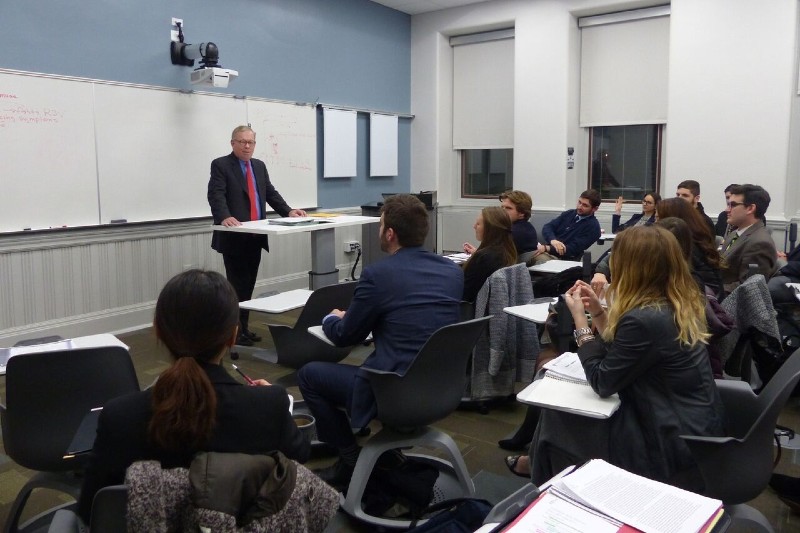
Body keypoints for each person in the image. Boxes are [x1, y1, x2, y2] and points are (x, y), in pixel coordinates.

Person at [78, 270, 310, 523]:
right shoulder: (269, 405)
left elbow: (91, 509)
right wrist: (274, 407)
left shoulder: (120, 416)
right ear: (233, 336)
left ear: (158, 331)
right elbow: (298, 464)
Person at [508, 226, 725, 491]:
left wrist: (580, 321)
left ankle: (545, 478)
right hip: (691, 421)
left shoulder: (644, 318)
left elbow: (602, 381)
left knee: (558, 416)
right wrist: (597, 311)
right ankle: (540, 467)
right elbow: (626, 349)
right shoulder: (677, 301)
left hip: (666, 435)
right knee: (559, 412)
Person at [297, 194, 463, 490]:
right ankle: (386, 456)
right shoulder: (452, 271)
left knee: (309, 375)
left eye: (381, 224)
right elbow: (417, 318)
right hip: (442, 389)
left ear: (390, 233)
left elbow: (346, 337)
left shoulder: (377, 275)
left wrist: (332, 318)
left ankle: (348, 460)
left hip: (394, 391)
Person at [208, 125, 307, 347]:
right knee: (235, 287)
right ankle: (232, 334)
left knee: (248, 286)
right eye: (242, 141)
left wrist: (288, 211)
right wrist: (224, 216)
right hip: (235, 236)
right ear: (232, 143)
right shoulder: (221, 165)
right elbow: (216, 194)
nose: (246, 146)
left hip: (256, 236)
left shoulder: (259, 166)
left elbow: (270, 192)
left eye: (250, 142)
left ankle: (243, 329)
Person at [656, 198, 725, 299]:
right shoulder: (696, 240)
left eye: (658, 219)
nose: (655, 224)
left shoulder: (686, 247)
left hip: (702, 300)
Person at [720, 184, 777, 294]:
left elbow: (747, 290)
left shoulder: (760, 243)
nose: (727, 209)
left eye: (733, 205)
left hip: (727, 304)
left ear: (750, 208)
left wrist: (708, 289)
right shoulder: (735, 233)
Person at [461, 206, 517, 302]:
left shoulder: (484, 258)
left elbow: (466, 292)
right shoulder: (507, 252)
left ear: (490, 229)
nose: (474, 226)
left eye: (478, 224)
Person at [530, 189, 601, 264]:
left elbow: (572, 249)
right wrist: (553, 240)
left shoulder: (593, 228)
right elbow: (548, 227)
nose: (579, 207)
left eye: (585, 205)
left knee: (534, 258)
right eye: (579, 202)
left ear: (595, 209)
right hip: (549, 251)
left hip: (564, 260)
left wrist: (547, 248)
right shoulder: (569, 213)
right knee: (524, 251)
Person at [500, 190, 539, 255]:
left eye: (508, 208)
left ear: (522, 213)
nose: (502, 211)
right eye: (502, 207)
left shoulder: (515, 232)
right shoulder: (526, 227)